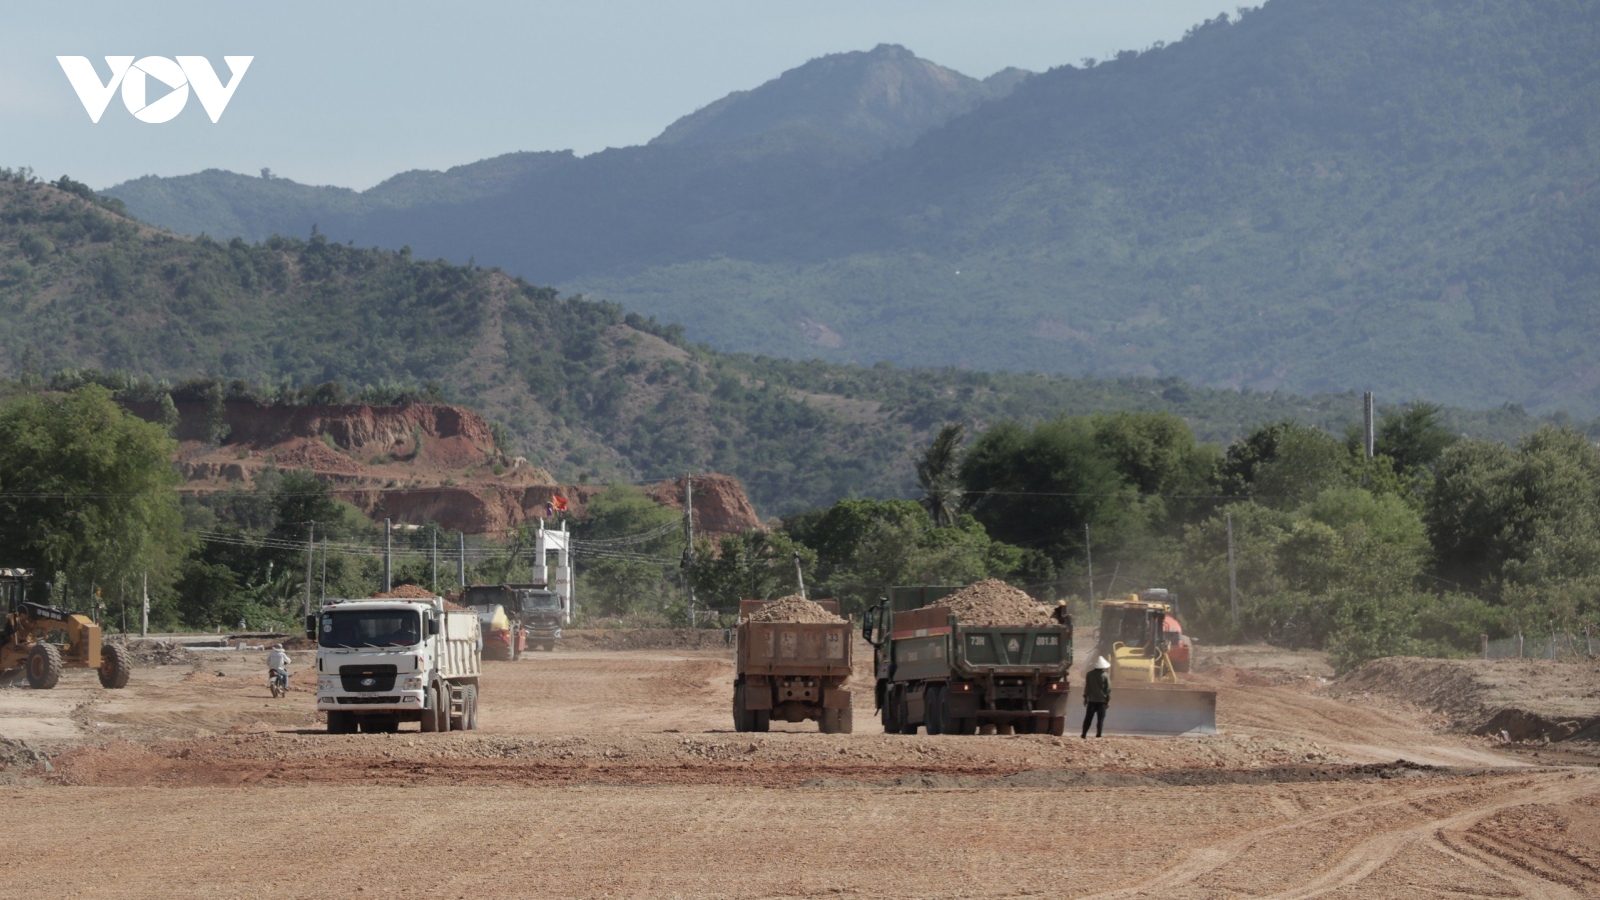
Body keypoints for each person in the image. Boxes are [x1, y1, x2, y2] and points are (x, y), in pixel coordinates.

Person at [1082, 655, 1112, 738]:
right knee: (1100, 720)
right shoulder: (1105, 675)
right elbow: (1108, 689)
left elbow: (1087, 687)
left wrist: (1085, 698)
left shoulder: (1089, 674)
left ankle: (1084, 734)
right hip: (1101, 702)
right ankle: (1098, 734)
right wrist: (1107, 701)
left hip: (1091, 701)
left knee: (1088, 719)